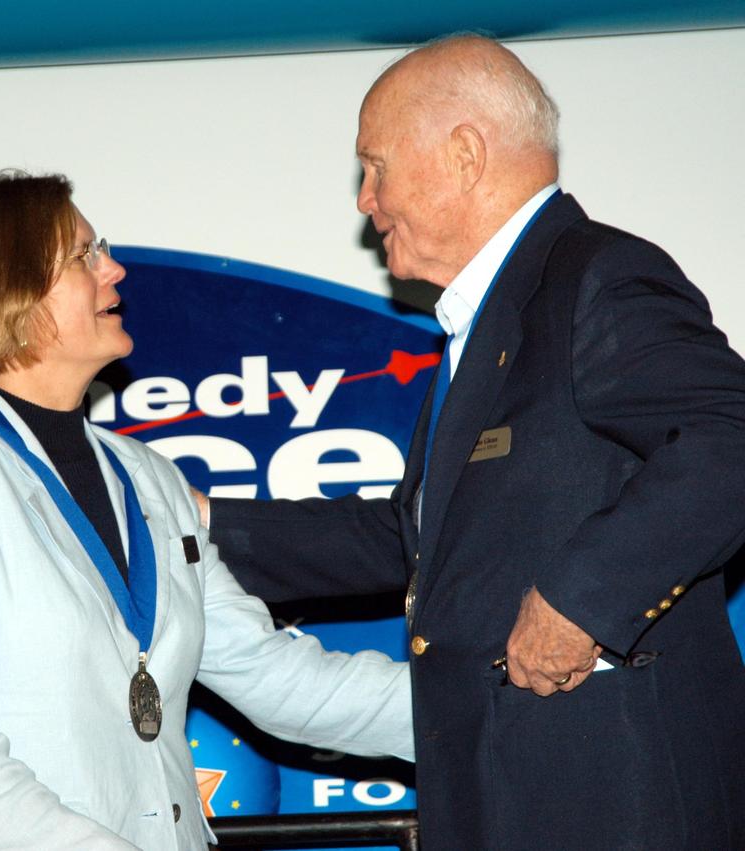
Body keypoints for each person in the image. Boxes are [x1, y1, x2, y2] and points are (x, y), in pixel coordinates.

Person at [202, 35, 745, 848]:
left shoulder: (593, 277)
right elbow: (420, 542)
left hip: (614, 801)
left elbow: (731, 437)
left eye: (375, 165)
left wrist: (582, 600)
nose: (364, 199)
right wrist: (197, 523)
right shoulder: (485, 325)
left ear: (463, 154)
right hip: (504, 796)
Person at [0, 171, 413, 850]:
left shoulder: (149, 477)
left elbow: (277, 676)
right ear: (9, 289)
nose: (114, 269)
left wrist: (487, 703)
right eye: (85, 255)